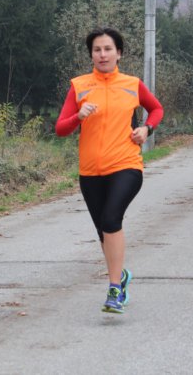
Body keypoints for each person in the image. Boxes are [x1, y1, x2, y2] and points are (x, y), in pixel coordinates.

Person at [55, 27, 164, 313]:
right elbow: (60, 128)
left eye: (108, 49)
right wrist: (78, 116)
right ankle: (121, 275)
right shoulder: (79, 86)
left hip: (126, 164)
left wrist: (146, 129)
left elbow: (156, 109)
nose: (102, 54)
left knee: (111, 218)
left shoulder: (132, 84)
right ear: (91, 54)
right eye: (97, 50)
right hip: (90, 171)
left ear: (119, 53)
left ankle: (114, 289)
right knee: (104, 230)